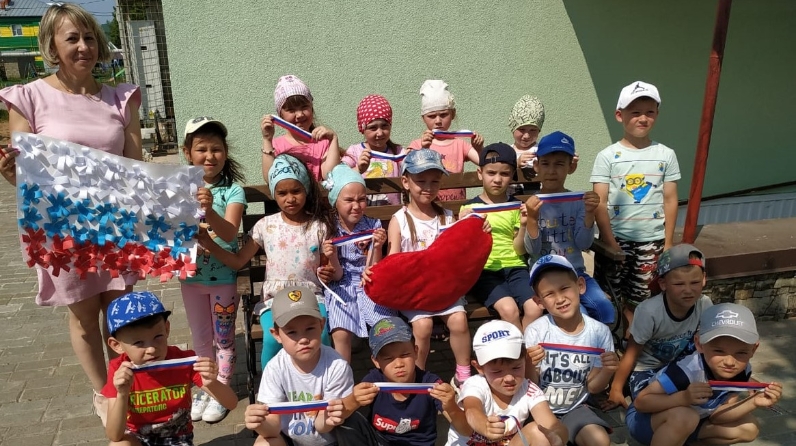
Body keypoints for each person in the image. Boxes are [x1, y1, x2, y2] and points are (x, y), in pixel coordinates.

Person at [0, 2, 142, 423]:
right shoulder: (28, 98)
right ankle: (105, 396)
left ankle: (126, 386)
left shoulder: (121, 97)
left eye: (90, 37)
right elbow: (26, 176)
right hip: (64, 230)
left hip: (115, 225)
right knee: (83, 317)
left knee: (121, 317)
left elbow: (137, 167)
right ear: (52, 45)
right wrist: (11, 174)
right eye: (73, 38)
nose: (84, 46)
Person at [197, 154, 333, 370]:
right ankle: (269, 386)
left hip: (311, 297)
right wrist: (209, 244)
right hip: (275, 299)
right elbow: (238, 261)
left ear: (306, 190)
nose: (290, 198)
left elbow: (328, 266)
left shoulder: (318, 227)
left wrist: (329, 271)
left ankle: (323, 380)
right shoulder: (265, 225)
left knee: (322, 333)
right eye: (282, 193)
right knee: (271, 339)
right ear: (274, 194)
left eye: (296, 191)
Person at [590, 81, 681, 330]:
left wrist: (668, 242)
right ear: (620, 115)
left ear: (657, 115)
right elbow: (600, 202)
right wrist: (610, 242)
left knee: (642, 298)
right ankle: (611, 338)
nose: (643, 118)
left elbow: (670, 199)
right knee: (608, 296)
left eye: (649, 112)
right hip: (616, 240)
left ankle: (633, 339)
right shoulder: (607, 156)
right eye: (635, 112)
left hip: (652, 241)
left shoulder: (666, 154)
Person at [627, 303, 782, 446]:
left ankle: (684, 438)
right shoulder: (686, 370)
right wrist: (684, 397)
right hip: (645, 421)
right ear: (699, 344)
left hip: (692, 420)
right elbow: (641, 402)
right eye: (719, 351)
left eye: (741, 352)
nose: (730, 362)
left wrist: (753, 402)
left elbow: (717, 417)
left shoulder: (743, 370)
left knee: (749, 428)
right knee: (686, 417)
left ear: (753, 349)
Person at [102, 291, 238, 445]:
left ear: (166, 329)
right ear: (116, 345)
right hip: (137, 438)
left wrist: (212, 383)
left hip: (177, 438)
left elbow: (231, 403)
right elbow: (114, 435)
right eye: (138, 343)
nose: (151, 349)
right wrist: (122, 394)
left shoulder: (183, 361)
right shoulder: (119, 370)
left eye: (158, 337)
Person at [385, 149, 472, 386]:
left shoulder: (446, 216)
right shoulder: (399, 220)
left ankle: (463, 375)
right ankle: (418, 377)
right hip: (415, 292)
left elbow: (458, 252)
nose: (428, 187)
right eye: (421, 181)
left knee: (459, 320)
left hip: (443, 289)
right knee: (423, 326)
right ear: (406, 182)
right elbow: (393, 260)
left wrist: (471, 226)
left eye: (435, 181)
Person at [179, 117, 246, 423]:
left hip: (223, 280)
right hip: (190, 279)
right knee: (201, 340)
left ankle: (222, 390)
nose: (209, 156)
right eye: (201, 149)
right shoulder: (178, 188)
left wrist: (208, 210)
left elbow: (230, 233)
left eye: (216, 149)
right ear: (187, 153)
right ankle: (205, 388)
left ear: (225, 152)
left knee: (224, 338)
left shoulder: (232, 191)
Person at [523, 255, 618, 446]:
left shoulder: (599, 332)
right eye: (549, 294)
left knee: (600, 440)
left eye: (564, 288)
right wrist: (528, 364)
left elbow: (593, 387)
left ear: (580, 286)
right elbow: (530, 384)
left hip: (575, 408)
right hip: (538, 407)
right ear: (539, 301)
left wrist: (608, 371)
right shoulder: (535, 331)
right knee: (544, 440)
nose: (560, 299)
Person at [606, 244, 713, 410]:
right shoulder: (649, 312)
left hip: (680, 365)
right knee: (658, 404)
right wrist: (616, 389)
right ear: (663, 284)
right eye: (679, 284)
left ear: (704, 279)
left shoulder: (704, 304)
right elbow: (632, 352)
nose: (688, 290)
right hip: (647, 369)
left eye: (695, 282)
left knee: (706, 397)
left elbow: (709, 347)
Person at [243, 286, 353, 446]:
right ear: (276, 335)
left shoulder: (337, 366)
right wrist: (259, 423)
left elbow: (322, 426)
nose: (303, 339)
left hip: (330, 440)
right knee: (263, 443)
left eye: (310, 328)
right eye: (292, 332)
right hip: (289, 438)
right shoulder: (275, 368)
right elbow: (272, 428)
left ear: (322, 325)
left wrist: (330, 418)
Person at [524, 131, 615, 325]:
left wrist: (590, 212)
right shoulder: (532, 204)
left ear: (571, 167)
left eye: (559, 164)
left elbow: (584, 244)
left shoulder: (578, 201)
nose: (551, 171)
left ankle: (601, 344)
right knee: (578, 313)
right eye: (546, 164)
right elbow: (532, 250)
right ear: (536, 166)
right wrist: (531, 218)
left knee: (605, 309)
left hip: (576, 273)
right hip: (545, 277)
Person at [342, 317, 469, 446]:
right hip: (379, 441)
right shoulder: (373, 381)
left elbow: (466, 431)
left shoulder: (431, 384)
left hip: (418, 444)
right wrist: (353, 400)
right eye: (388, 358)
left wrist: (451, 406)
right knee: (348, 421)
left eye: (404, 355)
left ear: (415, 352)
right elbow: (339, 415)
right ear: (376, 361)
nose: (398, 364)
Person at [446, 320, 568, 446]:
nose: (509, 378)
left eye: (516, 368)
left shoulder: (529, 390)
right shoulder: (475, 383)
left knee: (540, 433)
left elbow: (554, 425)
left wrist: (558, 436)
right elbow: (472, 410)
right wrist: (485, 426)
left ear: (525, 360)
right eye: (497, 371)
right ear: (479, 367)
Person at [460, 142, 542, 329]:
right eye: (491, 173)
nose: (497, 179)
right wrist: (463, 224)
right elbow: (465, 250)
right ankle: (520, 348)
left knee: (535, 308)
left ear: (512, 176)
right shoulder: (470, 208)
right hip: (485, 271)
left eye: (504, 174)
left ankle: (524, 347)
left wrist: (524, 224)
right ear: (480, 173)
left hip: (516, 268)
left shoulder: (516, 206)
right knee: (509, 310)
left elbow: (519, 250)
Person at [321, 164, 395, 361]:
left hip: (368, 280)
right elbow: (336, 275)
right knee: (340, 333)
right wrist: (332, 256)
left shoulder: (373, 225)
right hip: (341, 286)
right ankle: (343, 376)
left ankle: (389, 370)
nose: (356, 206)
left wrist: (377, 246)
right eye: (349, 200)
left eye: (361, 199)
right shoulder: (329, 228)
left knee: (385, 328)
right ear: (335, 201)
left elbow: (373, 269)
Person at [408, 79, 484, 201]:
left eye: (443, 115)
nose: (438, 121)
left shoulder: (460, 144)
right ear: (423, 118)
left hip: (456, 208)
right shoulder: (417, 145)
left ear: (452, 114)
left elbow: (484, 163)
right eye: (432, 116)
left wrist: (479, 149)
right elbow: (407, 169)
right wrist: (424, 149)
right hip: (429, 208)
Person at [260, 74, 341, 182]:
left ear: (312, 108)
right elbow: (270, 178)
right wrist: (267, 139)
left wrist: (334, 139)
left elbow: (330, 176)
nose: (300, 115)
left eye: (304, 107)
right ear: (280, 116)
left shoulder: (324, 143)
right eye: (291, 110)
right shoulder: (276, 145)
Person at [342, 94, 405, 205]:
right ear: (362, 128)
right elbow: (340, 175)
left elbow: (415, 170)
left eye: (384, 126)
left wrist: (420, 150)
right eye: (373, 128)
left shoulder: (398, 152)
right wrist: (358, 169)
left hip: (392, 213)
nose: (379, 133)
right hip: (363, 214)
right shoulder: (355, 151)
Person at [507, 94, 545, 195]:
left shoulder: (542, 151)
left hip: (536, 200)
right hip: (512, 201)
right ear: (513, 129)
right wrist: (515, 164)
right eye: (522, 129)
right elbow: (500, 173)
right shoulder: (507, 152)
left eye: (533, 130)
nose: (527, 135)